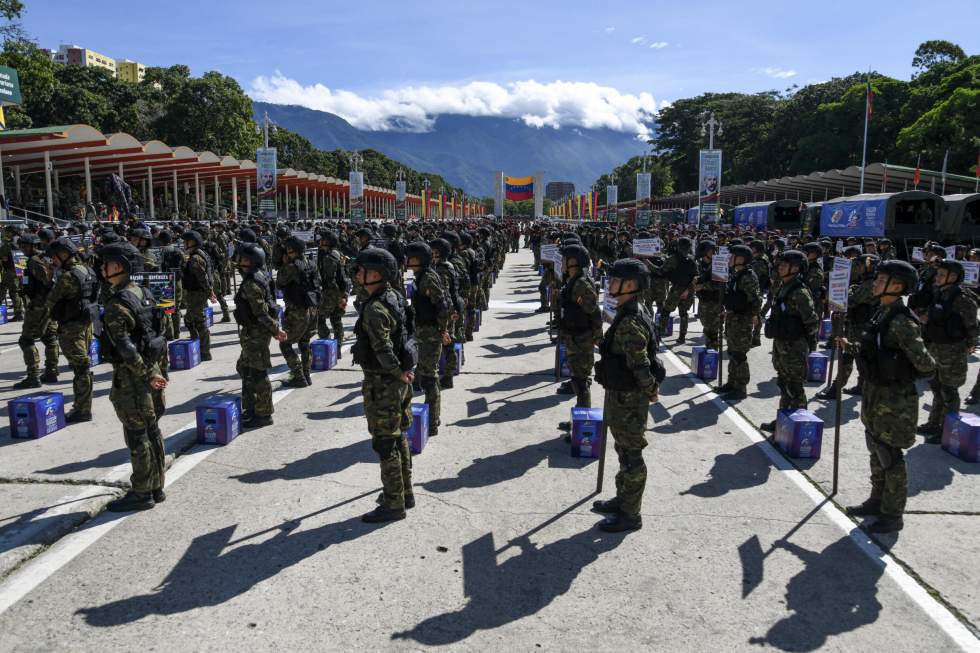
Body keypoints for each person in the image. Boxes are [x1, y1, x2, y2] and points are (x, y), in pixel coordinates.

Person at [841, 261, 936, 533]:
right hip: (875, 394)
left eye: (881, 279)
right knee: (875, 448)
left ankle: (892, 515)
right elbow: (872, 348)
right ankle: (876, 500)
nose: (875, 283)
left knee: (890, 456)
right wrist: (852, 346)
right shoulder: (881, 313)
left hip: (895, 400)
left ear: (897, 286)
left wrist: (894, 365)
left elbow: (926, 364)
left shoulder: (902, 321)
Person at [592, 258, 665, 533]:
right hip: (619, 395)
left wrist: (651, 390)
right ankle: (623, 499)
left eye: (615, 280)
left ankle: (631, 514)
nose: (609, 284)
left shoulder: (631, 321)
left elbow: (640, 363)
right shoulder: (629, 311)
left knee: (632, 455)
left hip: (629, 400)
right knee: (623, 450)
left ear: (631, 285)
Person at [97, 242, 169, 512]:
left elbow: (126, 348)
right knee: (152, 431)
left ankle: (141, 492)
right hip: (152, 370)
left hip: (134, 378)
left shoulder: (118, 303)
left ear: (119, 266)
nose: (103, 268)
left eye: (107, 263)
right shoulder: (143, 293)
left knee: (137, 434)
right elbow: (160, 333)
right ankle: (155, 485)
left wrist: (148, 373)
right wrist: (157, 371)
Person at [351, 247, 416, 523]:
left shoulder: (375, 308)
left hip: (384, 382)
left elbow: (382, 347)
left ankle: (393, 504)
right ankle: (404, 492)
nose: (357, 274)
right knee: (398, 436)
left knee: (385, 443)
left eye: (361, 270)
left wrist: (396, 372)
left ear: (375, 274)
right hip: (396, 381)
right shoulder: (393, 297)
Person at [917, 259, 978, 443]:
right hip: (936, 348)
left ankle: (947, 429)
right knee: (936, 387)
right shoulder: (939, 293)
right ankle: (933, 423)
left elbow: (972, 325)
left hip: (953, 352)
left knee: (949, 391)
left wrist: (971, 343)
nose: (938, 277)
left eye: (942, 275)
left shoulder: (962, 298)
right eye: (938, 274)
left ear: (953, 277)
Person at [761, 250, 819, 432]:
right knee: (784, 383)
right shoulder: (784, 286)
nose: (780, 267)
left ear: (796, 268)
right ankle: (783, 420)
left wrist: (808, 345)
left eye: (785, 265)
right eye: (781, 264)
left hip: (795, 346)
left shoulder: (799, 291)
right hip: (782, 344)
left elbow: (811, 320)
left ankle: (799, 427)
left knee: (795, 387)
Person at [41, 238, 98, 422]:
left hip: (71, 328)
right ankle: (83, 406)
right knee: (83, 367)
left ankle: (82, 409)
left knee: (80, 369)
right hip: (85, 324)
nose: (53, 262)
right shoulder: (87, 270)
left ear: (64, 255)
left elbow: (50, 301)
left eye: (55, 258)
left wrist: (49, 278)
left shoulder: (67, 277)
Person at [234, 243, 288, 429]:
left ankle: (264, 414)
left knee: (258, 372)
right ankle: (250, 408)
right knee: (245, 368)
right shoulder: (258, 277)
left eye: (245, 260)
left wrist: (276, 330)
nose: (240, 263)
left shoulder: (251, 283)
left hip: (257, 332)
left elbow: (261, 313)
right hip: (253, 331)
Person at [405, 241, 450, 438]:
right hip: (422, 331)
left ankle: (432, 421)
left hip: (431, 333)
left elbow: (441, 306)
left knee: (430, 378)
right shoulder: (419, 276)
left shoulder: (429, 278)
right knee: (423, 372)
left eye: (412, 259)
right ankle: (431, 417)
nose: (409, 261)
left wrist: (443, 330)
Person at [556, 243, 602, 433]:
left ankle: (583, 425)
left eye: (565, 259)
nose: (562, 263)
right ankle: (578, 420)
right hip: (574, 337)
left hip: (582, 338)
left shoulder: (581, 283)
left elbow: (594, 311)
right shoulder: (574, 280)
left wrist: (597, 337)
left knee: (581, 382)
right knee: (577, 379)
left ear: (573, 261)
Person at [13, 234, 60, 389]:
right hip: (48, 305)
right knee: (50, 338)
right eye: (21, 246)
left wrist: (38, 298)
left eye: (25, 246)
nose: (22, 249)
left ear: (33, 246)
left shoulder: (35, 261)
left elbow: (48, 280)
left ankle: (33, 376)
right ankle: (52, 371)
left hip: (39, 306)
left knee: (26, 340)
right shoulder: (44, 258)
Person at [716, 245, 762, 400]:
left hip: (742, 320)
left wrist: (754, 316)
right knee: (732, 351)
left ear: (741, 259)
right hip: (733, 318)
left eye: (732, 256)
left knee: (739, 354)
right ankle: (732, 382)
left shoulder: (748, 277)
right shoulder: (737, 275)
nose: (729, 259)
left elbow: (754, 300)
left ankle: (741, 387)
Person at [180, 230, 214, 361]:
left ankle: (205, 352)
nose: (184, 244)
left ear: (192, 242)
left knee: (199, 322)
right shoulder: (197, 254)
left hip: (197, 294)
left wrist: (209, 292)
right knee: (189, 319)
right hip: (195, 293)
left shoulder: (195, 258)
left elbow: (202, 277)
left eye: (186, 242)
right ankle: (196, 343)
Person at [659, 236, 697, 343]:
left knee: (666, 311)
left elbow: (661, 271)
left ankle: (660, 332)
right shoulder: (692, 259)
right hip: (689, 289)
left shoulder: (673, 258)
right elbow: (696, 276)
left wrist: (648, 263)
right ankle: (682, 337)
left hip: (677, 289)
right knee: (683, 314)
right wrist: (689, 289)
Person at [315, 230, 349, 342]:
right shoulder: (337, 253)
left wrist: (339, 298)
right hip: (340, 291)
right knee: (336, 319)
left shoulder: (329, 257)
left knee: (319, 318)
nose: (320, 242)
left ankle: (326, 342)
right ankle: (337, 346)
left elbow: (331, 280)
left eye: (323, 240)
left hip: (332, 293)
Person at [1, 225, 25, 321]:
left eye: (7, 232)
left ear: (11, 232)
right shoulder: (22, 240)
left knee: (13, 291)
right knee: (22, 290)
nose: (5, 234)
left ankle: (19, 314)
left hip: (12, 270)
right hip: (22, 267)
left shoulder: (10, 242)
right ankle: (23, 312)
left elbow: (1, 253)